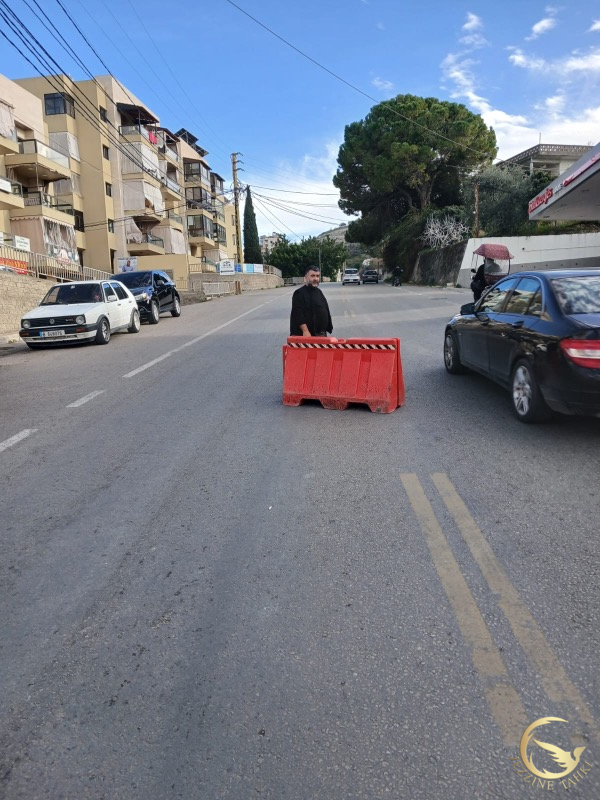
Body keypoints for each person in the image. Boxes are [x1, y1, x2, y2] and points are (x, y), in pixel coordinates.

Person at [290, 265, 333, 337]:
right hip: (307, 335)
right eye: (312, 276)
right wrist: (305, 331)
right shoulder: (299, 293)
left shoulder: (319, 291)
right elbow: (298, 314)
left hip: (320, 334)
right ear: (306, 277)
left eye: (317, 276)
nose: (316, 278)